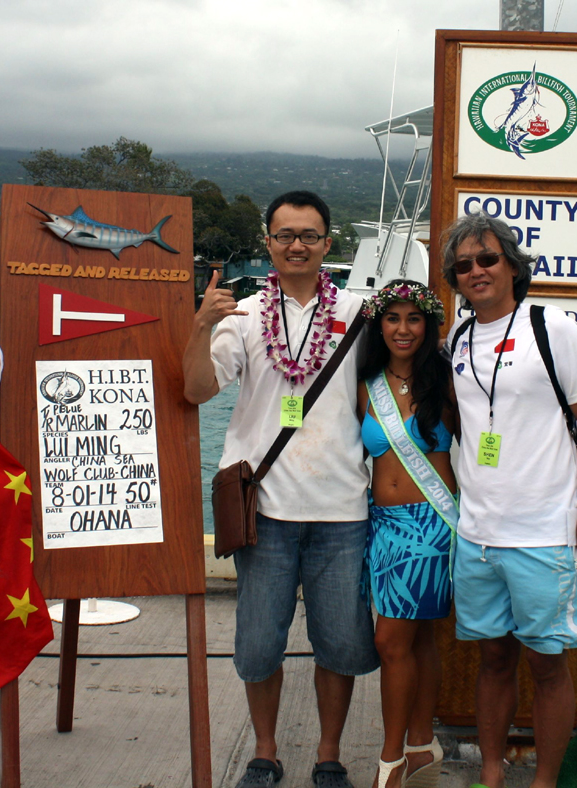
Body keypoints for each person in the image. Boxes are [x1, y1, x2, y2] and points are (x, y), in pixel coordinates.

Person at [182, 191, 377, 788]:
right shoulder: (241, 314)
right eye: (285, 234)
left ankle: (328, 754)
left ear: (328, 243)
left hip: (342, 506)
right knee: (259, 644)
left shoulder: (361, 312)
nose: (297, 245)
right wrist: (200, 325)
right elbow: (195, 391)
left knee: (341, 643)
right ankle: (265, 752)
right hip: (263, 510)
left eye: (309, 235)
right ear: (268, 241)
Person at [441, 212, 577, 788]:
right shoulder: (458, 339)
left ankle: (545, 780)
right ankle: (490, 773)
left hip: (544, 532)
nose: (476, 271)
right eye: (463, 265)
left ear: (513, 265)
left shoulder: (552, 326)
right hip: (477, 534)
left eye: (487, 259)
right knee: (490, 661)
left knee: (547, 665)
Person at [358, 281, 457, 788]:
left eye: (413, 319)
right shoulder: (364, 383)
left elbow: (493, 433)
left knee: (390, 642)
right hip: (383, 526)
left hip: (431, 527)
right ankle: (422, 745)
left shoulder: (447, 379)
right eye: (392, 318)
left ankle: (390, 760)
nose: (402, 328)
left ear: (429, 325)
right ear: (379, 325)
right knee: (416, 642)